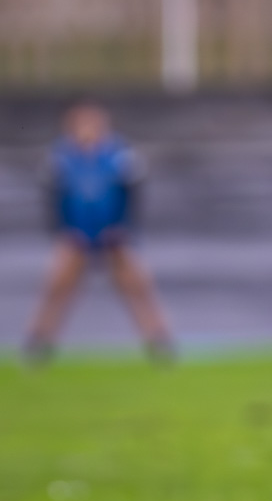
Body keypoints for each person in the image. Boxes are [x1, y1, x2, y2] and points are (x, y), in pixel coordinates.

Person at [22, 101, 174, 363]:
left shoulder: (119, 155)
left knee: (139, 288)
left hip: (113, 235)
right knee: (55, 289)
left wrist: (123, 228)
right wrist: (63, 232)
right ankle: (38, 344)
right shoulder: (61, 157)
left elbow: (133, 194)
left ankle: (159, 343)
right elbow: (52, 198)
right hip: (76, 236)